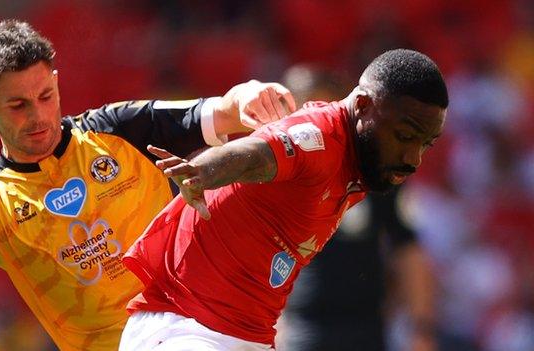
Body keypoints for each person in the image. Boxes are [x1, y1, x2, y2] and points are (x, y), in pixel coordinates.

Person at [0, 20, 296, 351]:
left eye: (45, 95)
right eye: (17, 106)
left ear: (57, 84)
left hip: (203, 332)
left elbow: (220, 110)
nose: (38, 115)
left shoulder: (119, 130)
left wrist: (251, 95)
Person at [121, 48, 449, 350]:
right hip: (188, 326)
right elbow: (254, 154)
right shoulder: (318, 138)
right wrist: (201, 172)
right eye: (405, 137)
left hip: (250, 336)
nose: (414, 158)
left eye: (425, 144)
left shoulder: (366, 167)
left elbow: (408, 251)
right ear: (361, 106)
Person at [278, 64, 437, 351]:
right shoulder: (278, 177)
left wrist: (421, 326)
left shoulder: (378, 172)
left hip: (366, 328)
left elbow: (408, 249)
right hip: (304, 328)